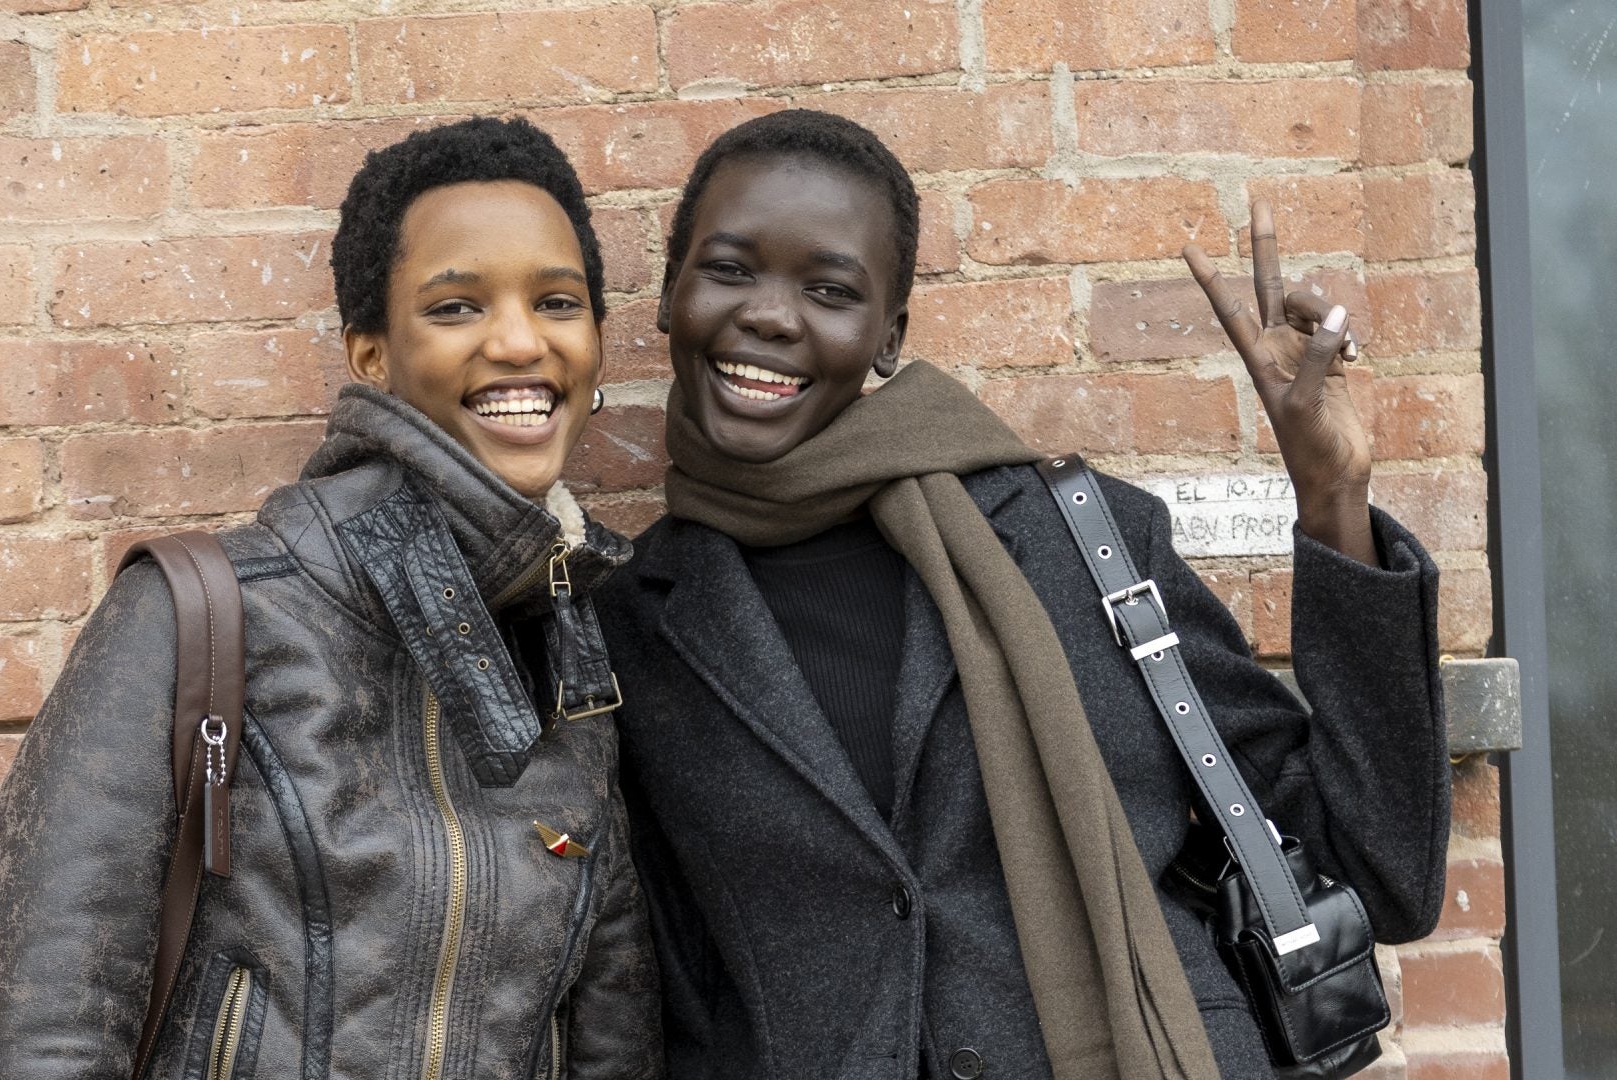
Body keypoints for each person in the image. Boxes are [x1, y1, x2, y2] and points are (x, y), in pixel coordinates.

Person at [596, 109, 1450, 1079]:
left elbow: (1378, 871)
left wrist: (1333, 498)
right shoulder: (632, 625)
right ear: (670, 294)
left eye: (831, 289)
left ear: (889, 337)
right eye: (731, 269)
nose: (772, 314)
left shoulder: (1076, 542)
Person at [0, 117, 660, 1079]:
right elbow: (46, 1033)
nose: (518, 340)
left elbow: (607, 1043)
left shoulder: (573, 655)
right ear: (371, 354)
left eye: (557, 302)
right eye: (455, 308)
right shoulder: (201, 615)